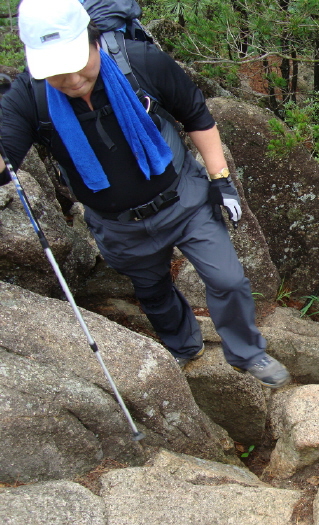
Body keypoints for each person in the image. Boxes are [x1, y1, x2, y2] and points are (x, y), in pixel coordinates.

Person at [0, 0, 290, 387]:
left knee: (228, 280)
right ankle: (183, 346)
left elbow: (196, 116)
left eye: (76, 62)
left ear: (94, 40)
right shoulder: (28, 97)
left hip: (183, 200)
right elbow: (6, 161)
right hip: (118, 225)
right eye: (55, 71)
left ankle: (247, 352)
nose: (70, 80)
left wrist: (221, 179)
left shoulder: (140, 62)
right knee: (152, 291)